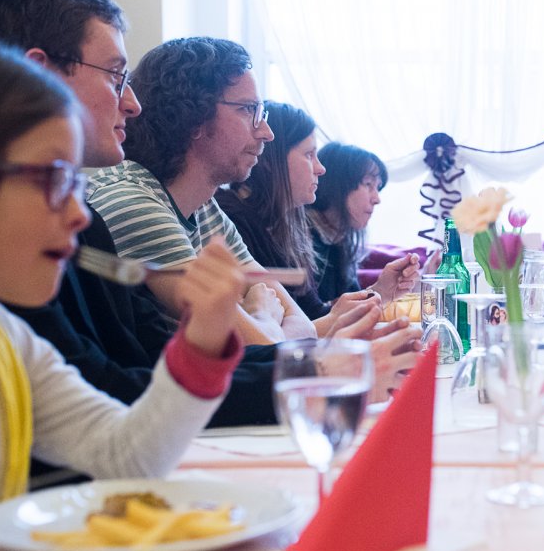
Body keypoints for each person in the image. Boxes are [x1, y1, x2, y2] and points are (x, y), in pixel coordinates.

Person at [0, 37, 247, 551]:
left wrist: (202, 343)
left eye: (76, 184)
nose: (80, 214)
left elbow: (126, 456)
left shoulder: (4, 342)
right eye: (53, 179)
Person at [0, 0, 311, 431]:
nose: (132, 104)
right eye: (116, 76)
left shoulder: (87, 222)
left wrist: (310, 365)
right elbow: (110, 395)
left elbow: (144, 362)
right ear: (40, 73)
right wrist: (307, 371)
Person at [87, 37, 319, 345]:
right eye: (248, 109)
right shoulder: (132, 203)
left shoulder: (203, 206)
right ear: (193, 118)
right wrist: (261, 313)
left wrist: (264, 322)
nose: (266, 132)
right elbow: (262, 345)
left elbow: (304, 330)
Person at [216, 102, 421, 398]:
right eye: (309, 155)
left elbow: (311, 317)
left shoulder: (283, 225)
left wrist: (380, 292)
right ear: (272, 159)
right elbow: (277, 340)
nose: (320, 168)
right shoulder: (236, 219)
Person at [308, 142, 419, 306]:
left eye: (378, 187)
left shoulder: (339, 240)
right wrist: (379, 291)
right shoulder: (302, 237)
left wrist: (385, 290)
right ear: (337, 185)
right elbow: (312, 315)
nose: (377, 199)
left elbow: (347, 308)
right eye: (368, 184)